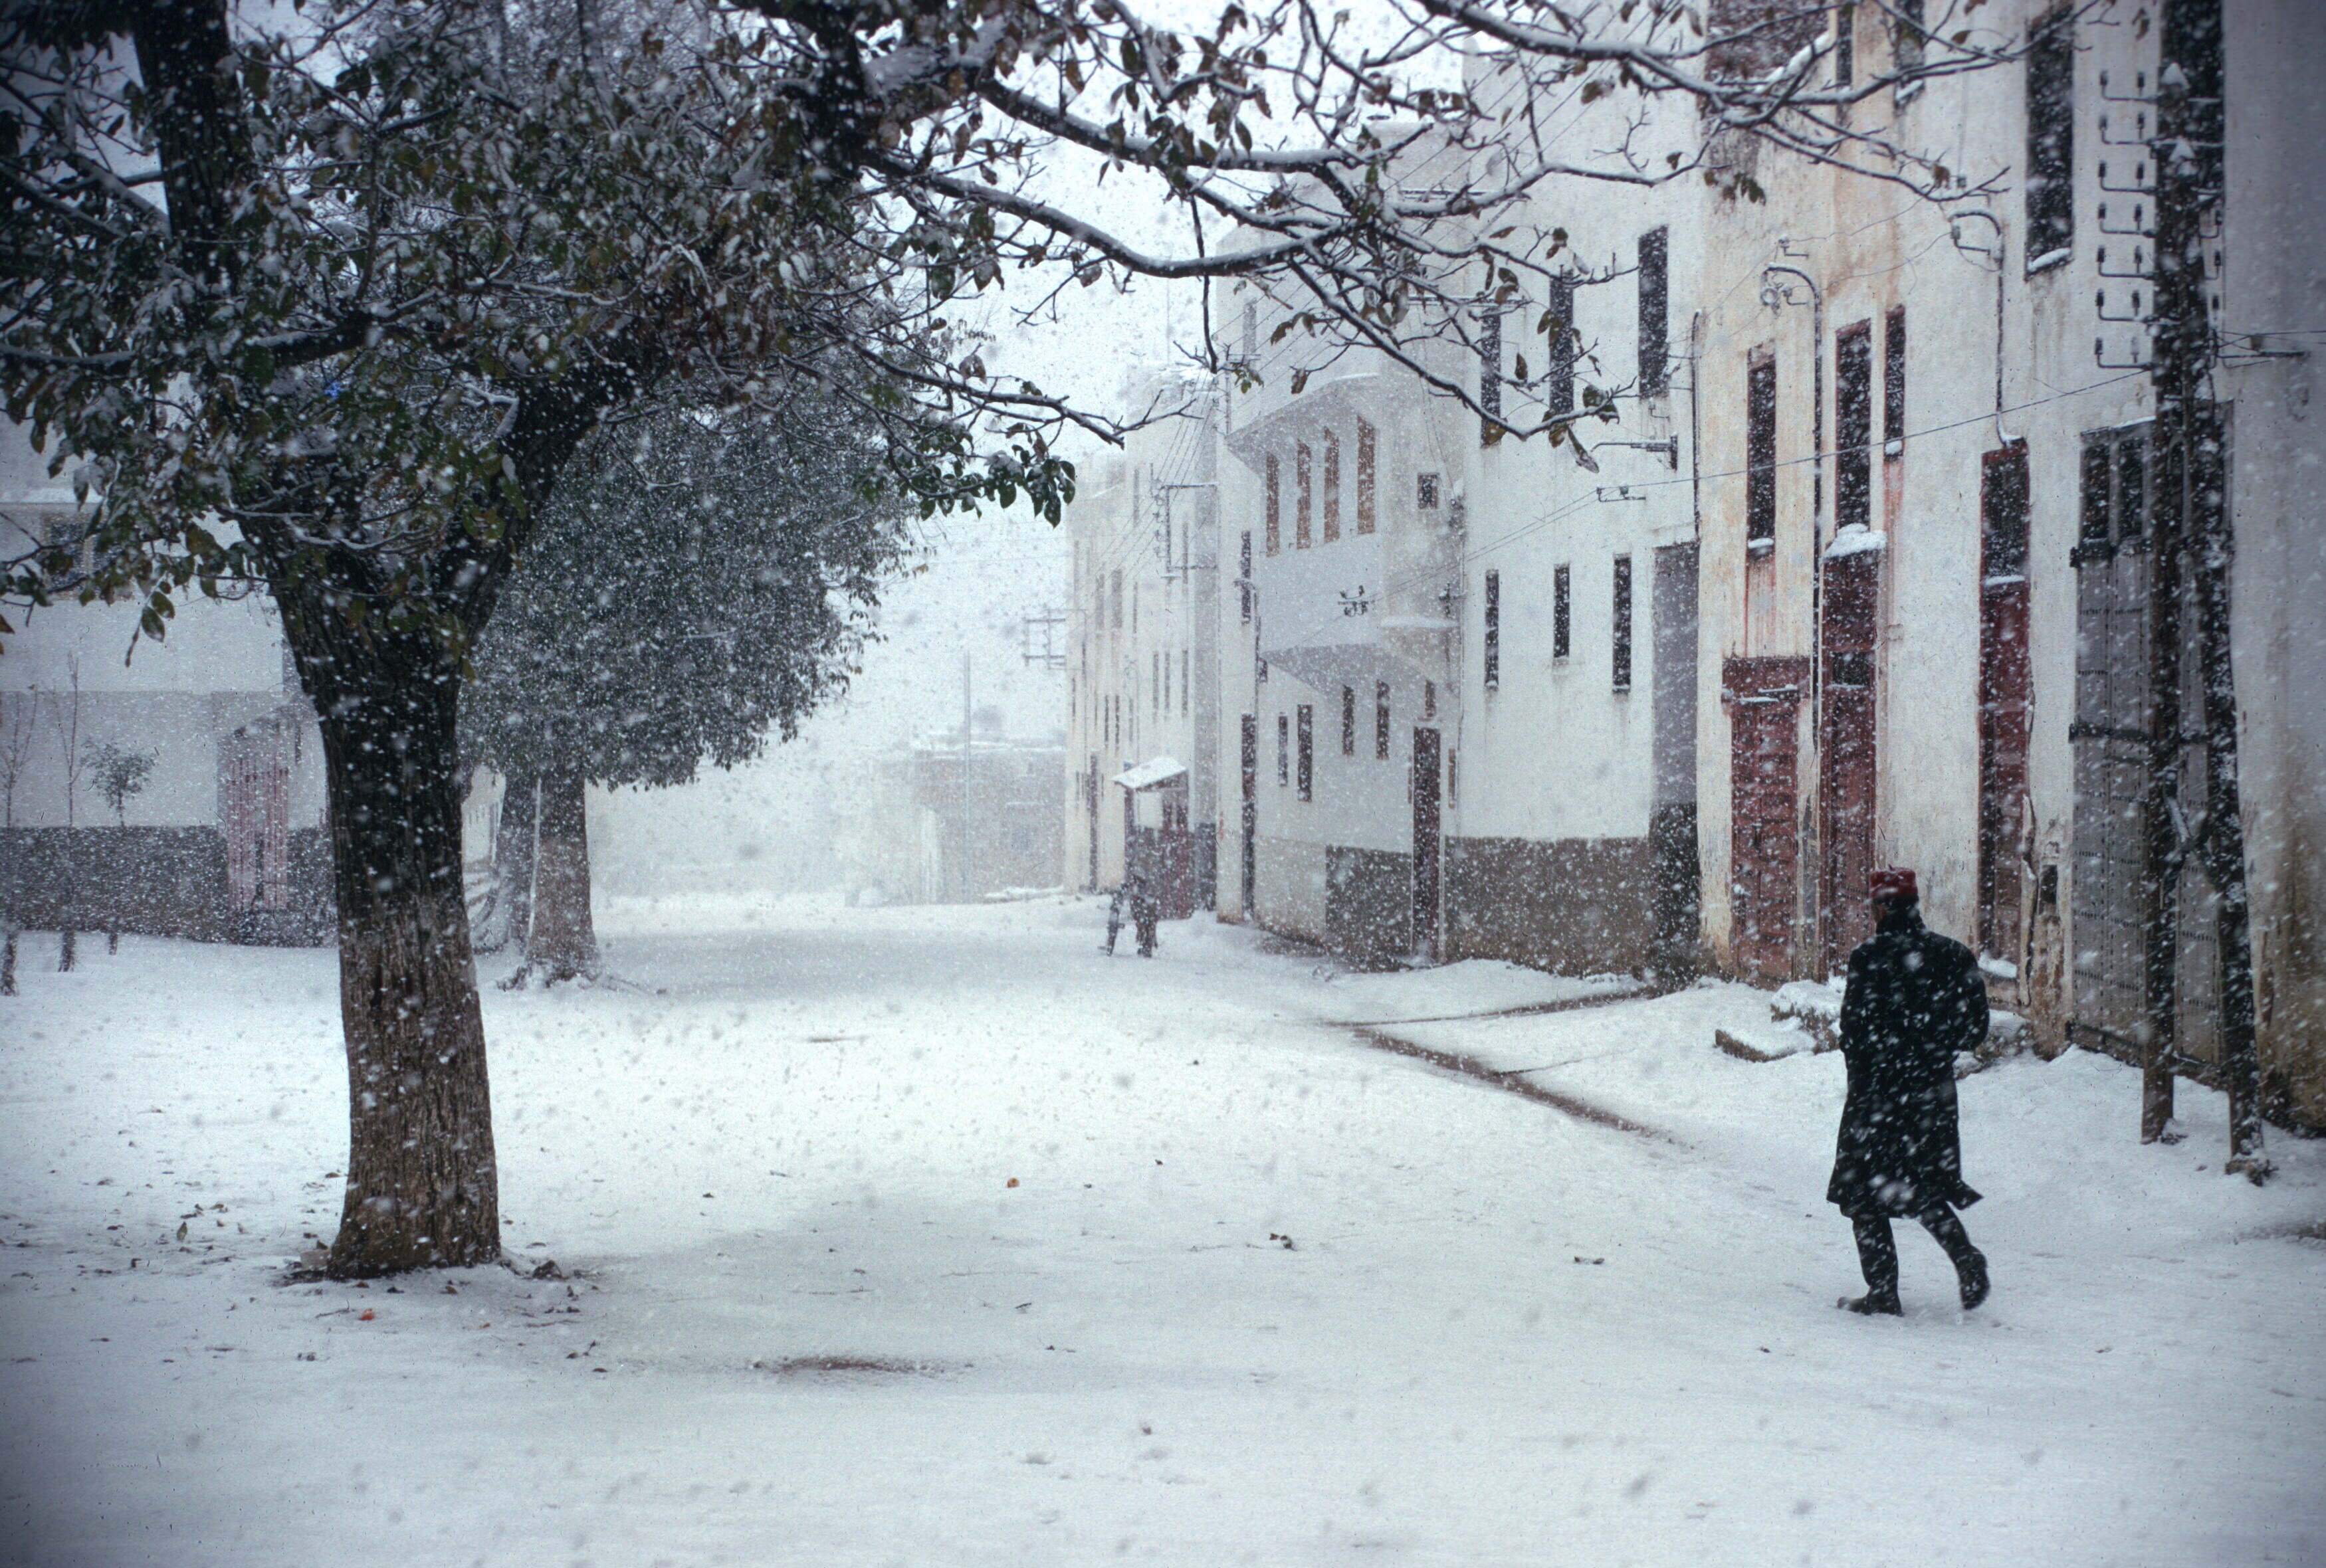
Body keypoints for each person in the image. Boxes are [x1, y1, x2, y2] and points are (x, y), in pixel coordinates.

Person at [1829, 867, 1992, 1316]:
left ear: (1880, 906)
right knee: (1920, 1188)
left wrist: (1871, 1074)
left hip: (1876, 1096)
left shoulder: (1868, 957)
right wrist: (1930, 1048)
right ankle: (1965, 1256)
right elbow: (1976, 1030)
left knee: (1863, 1195)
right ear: (1916, 903)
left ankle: (1883, 1292)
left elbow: (1853, 1032)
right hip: (1931, 1096)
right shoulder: (1954, 955)